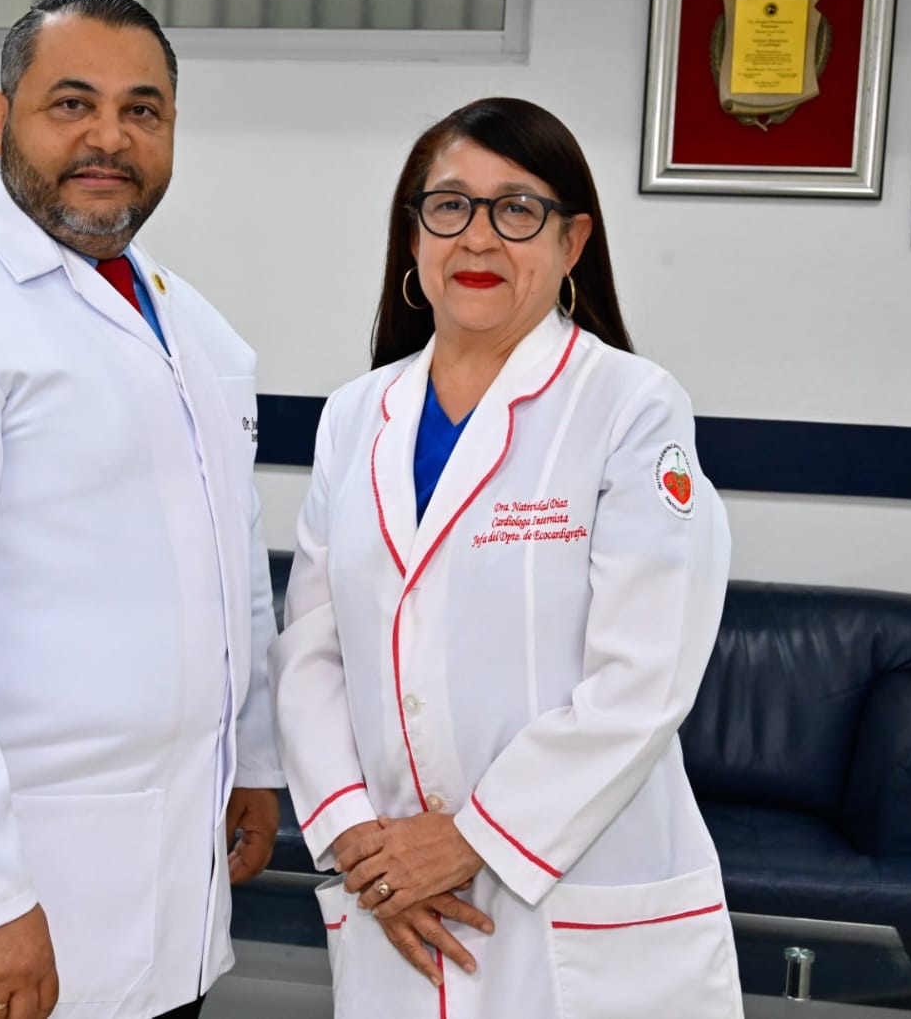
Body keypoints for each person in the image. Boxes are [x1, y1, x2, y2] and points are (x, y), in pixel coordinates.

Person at [0, 0, 283, 1019]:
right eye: (71, 103)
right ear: (0, 120)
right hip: (7, 887)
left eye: (141, 110)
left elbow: (233, 556)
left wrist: (251, 754)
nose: (108, 137)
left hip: (170, 874)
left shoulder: (195, 327)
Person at [270, 97, 742, 1018]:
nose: (477, 237)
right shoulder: (355, 417)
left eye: (517, 208)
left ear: (572, 243)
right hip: (395, 899)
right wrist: (362, 843)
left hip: (572, 899)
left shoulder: (629, 406)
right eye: (449, 205)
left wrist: (472, 839)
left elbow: (643, 676)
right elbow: (311, 651)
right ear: (413, 236)